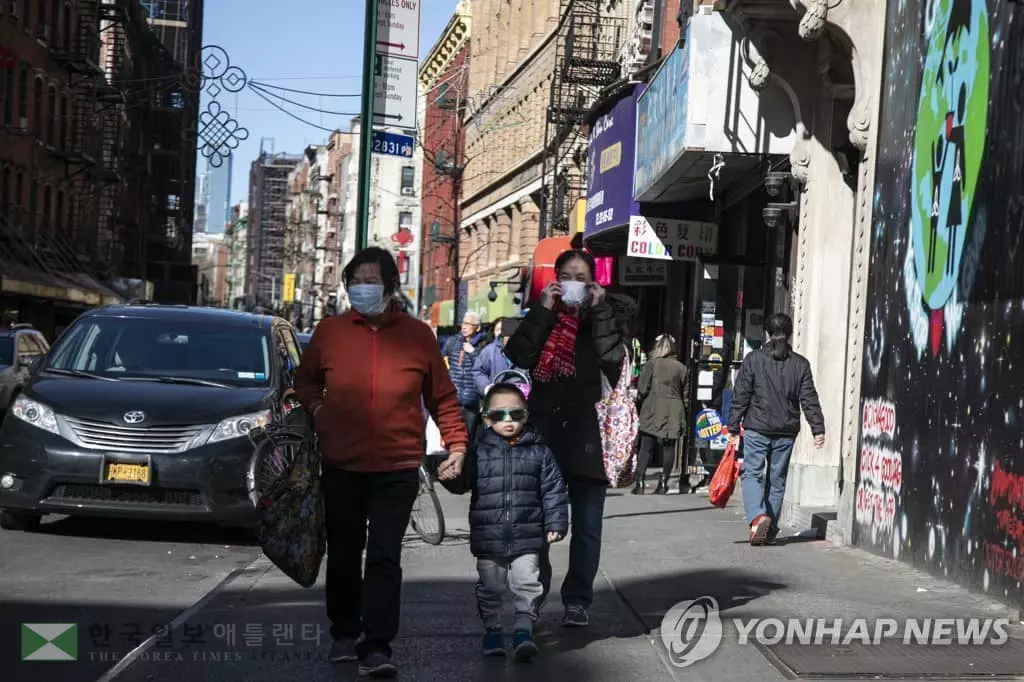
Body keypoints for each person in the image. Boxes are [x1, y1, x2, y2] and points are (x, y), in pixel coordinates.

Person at [292, 247, 468, 678]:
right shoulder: (330, 332)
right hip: (341, 466)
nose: (361, 288)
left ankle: (377, 646)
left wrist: (457, 445)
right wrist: (318, 410)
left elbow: (442, 397)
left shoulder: (418, 336)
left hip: (397, 467)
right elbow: (304, 381)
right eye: (355, 281)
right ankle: (344, 631)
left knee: (385, 557)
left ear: (390, 286)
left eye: (370, 281)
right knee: (344, 553)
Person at [504, 249, 625, 628]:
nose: (574, 283)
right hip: (545, 438)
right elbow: (519, 355)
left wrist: (601, 311)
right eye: (567, 276)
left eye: (581, 277)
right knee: (538, 525)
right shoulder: (545, 318)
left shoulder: (604, 317)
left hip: (590, 440)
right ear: (556, 280)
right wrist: (542, 310)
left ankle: (577, 600)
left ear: (592, 284)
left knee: (587, 528)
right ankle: (535, 595)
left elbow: (614, 361)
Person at [434, 383, 568, 660]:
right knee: (491, 587)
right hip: (489, 536)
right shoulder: (478, 450)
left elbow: (553, 489)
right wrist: (450, 476)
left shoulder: (539, 451)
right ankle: (493, 629)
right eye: (499, 415)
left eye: (515, 414)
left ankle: (523, 631)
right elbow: (463, 483)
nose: (508, 421)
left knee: (527, 584)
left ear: (526, 415)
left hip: (528, 534)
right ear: (486, 419)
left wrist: (556, 522)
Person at [726, 312, 825, 546]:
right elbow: (809, 398)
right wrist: (818, 428)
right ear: (789, 335)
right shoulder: (800, 364)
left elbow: (741, 395)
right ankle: (768, 531)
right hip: (786, 429)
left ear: (767, 334)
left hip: (757, 427)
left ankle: (757, 516)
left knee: (751, 473)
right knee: (777, 480)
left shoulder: (753, 359)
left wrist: (733, 426)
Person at [635, 334, 689, 495]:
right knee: (669, 447)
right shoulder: (682, 368)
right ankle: (664, 482)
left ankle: (640, 482)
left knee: (645, 447)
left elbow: (642, 389)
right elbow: (686, 395)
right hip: (674, 410)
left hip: (653, 407)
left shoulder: (651, 364)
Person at [444, 311, 484, 439]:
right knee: (452, 437)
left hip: (471, 402)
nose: (464, 327)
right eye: (463, 323)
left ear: (477, 328)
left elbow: (484, 368)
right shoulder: (452, 342)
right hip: (453, 400)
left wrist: (473, 352)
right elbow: (443, 363)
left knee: (469, 438)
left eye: (468, 324)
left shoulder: (483, 344)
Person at [473, 317, 526, 395]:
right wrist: (486, 387)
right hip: (496, 395)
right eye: (509, 338)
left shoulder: (525, 351)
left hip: (520, 396)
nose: (512, 341)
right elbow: (479, 371)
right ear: (503, 336)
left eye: (515, 338)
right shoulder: (489, 351)